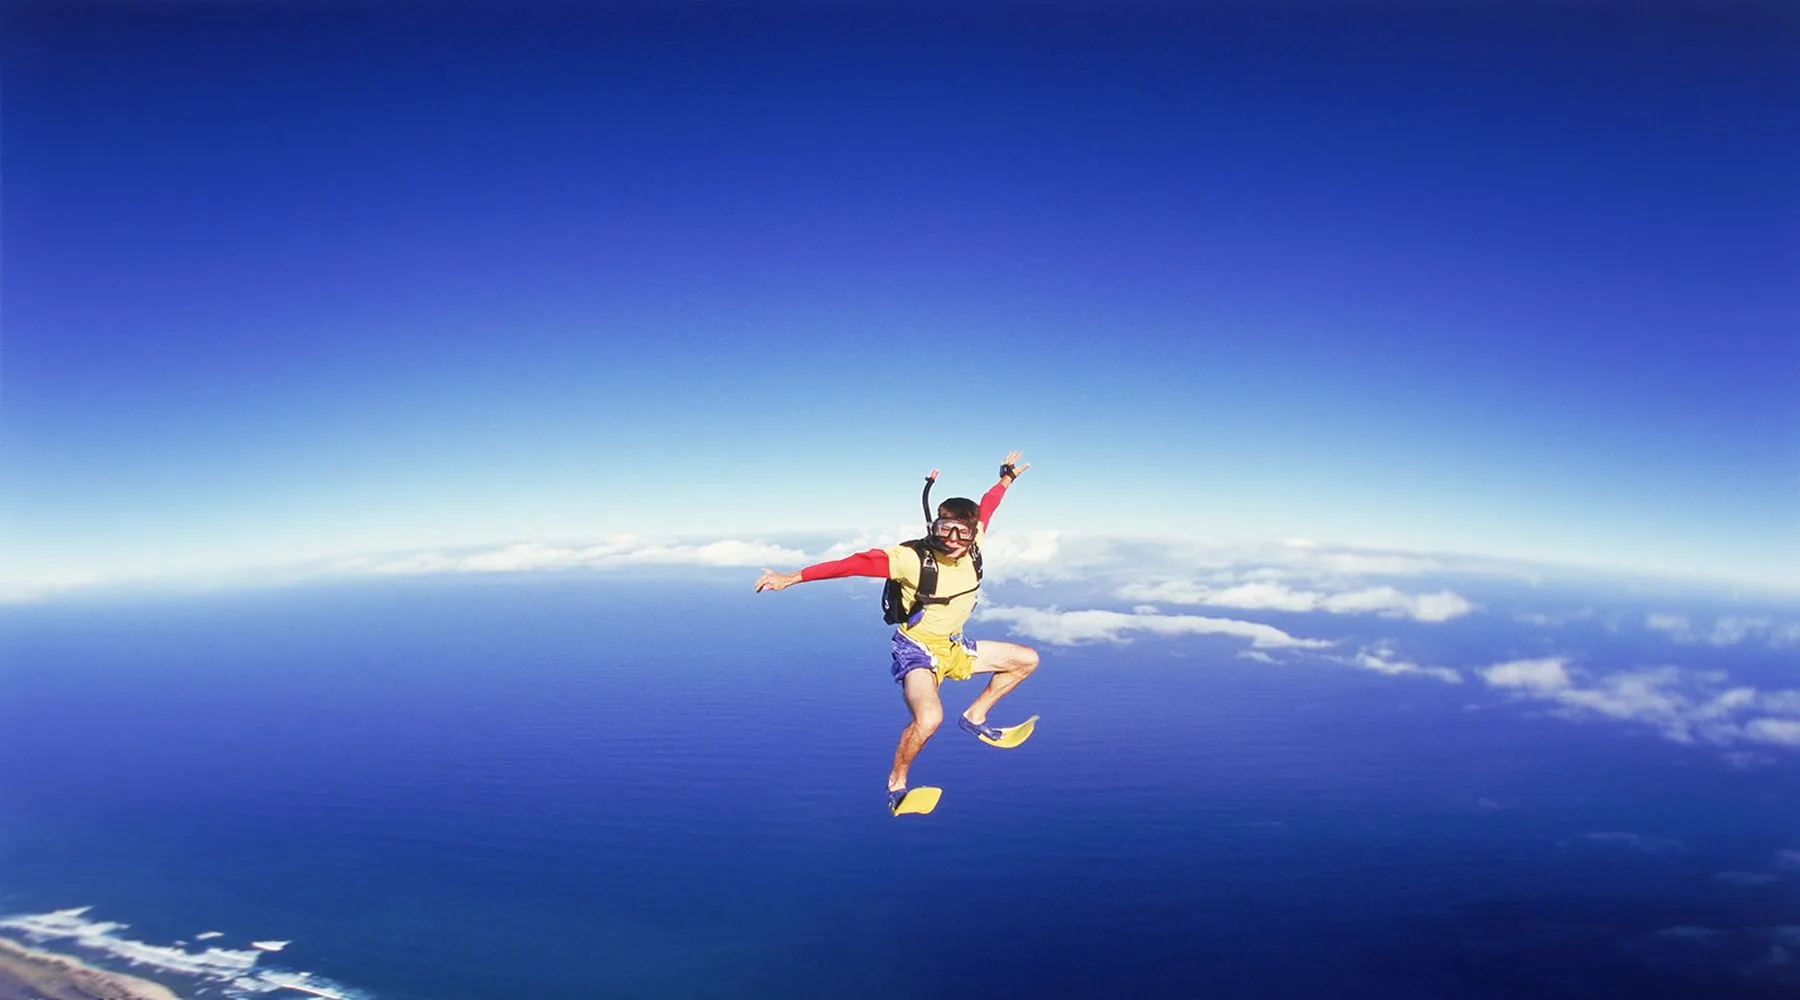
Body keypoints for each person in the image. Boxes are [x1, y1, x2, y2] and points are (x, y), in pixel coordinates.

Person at [755, 452, 1040, 814]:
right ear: (934, 526)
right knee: (929, 719)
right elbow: (852, 565)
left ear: (973, 533)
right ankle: (897, 784)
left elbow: (988, 506)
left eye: (962, 531)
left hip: (953, 647)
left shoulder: (975, 545)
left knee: (1026, 660)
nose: (952, 538)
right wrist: (791, 578)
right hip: (916, 651)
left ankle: (974, 717)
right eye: (944, 528)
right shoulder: (910, 559)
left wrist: (1005, 480)